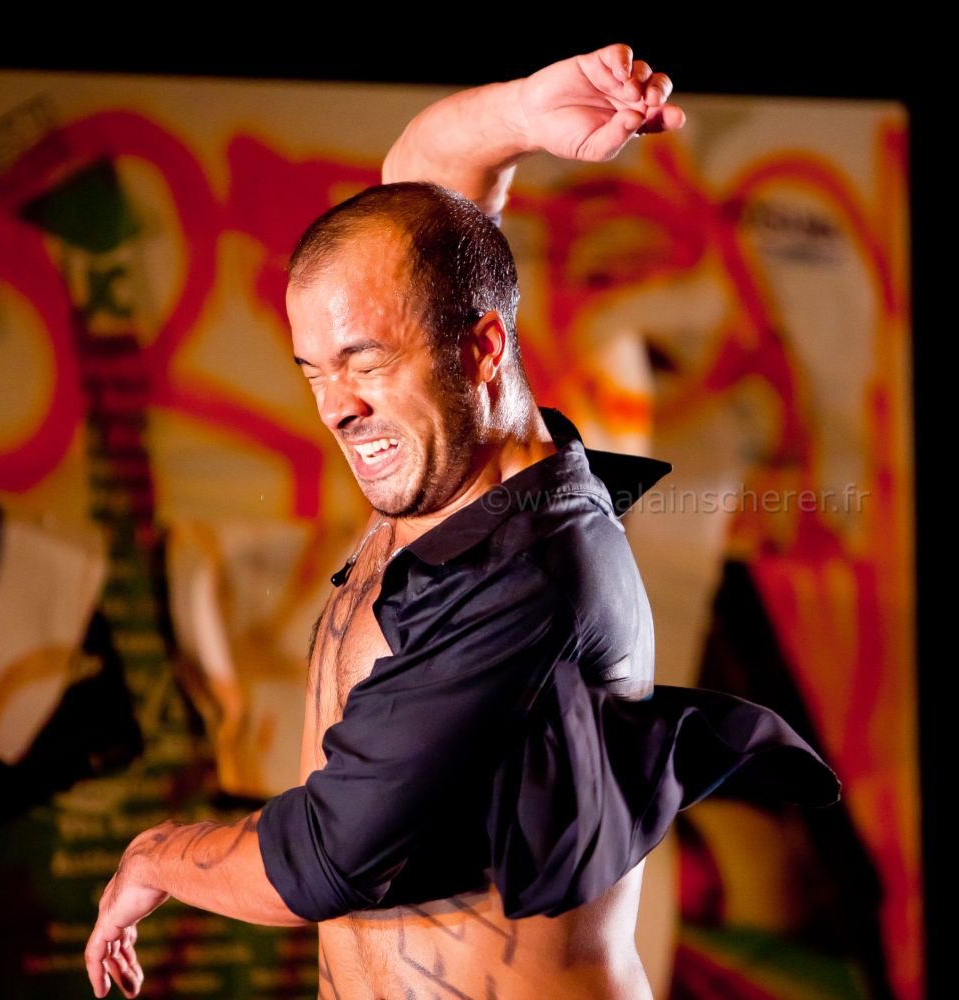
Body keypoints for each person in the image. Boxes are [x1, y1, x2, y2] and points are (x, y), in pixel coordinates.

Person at [85, 44, 838, 1000]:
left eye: (363, 363)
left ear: (481, 348)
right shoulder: (440, 459)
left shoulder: (525, 569)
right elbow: (420, 194)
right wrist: (522, 113)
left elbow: (328, 857)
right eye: (315, 371)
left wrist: (154, 854)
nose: (337, 409)